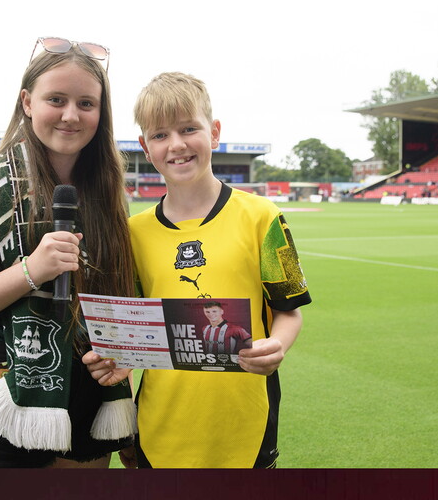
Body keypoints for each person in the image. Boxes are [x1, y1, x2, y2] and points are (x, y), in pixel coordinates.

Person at [0, 37, 138, 468]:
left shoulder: (109, 191)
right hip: (4, 391)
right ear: (26, 101)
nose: (70, 115)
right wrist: (31, 270)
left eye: (86, 103)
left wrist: (123, 355)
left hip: (91, 390)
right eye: (55, 99)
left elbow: (118, 303)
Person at [83, 72, 312, 468]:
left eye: (189, 128)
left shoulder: (264, 217)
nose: (176, 144)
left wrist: (278, 345)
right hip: (161, 427)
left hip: (245, 424)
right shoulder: (132, 233)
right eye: (160, 135)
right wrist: (120, 357)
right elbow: (136, 331)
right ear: (144, 146)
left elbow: (289, 311)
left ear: (215, 132)